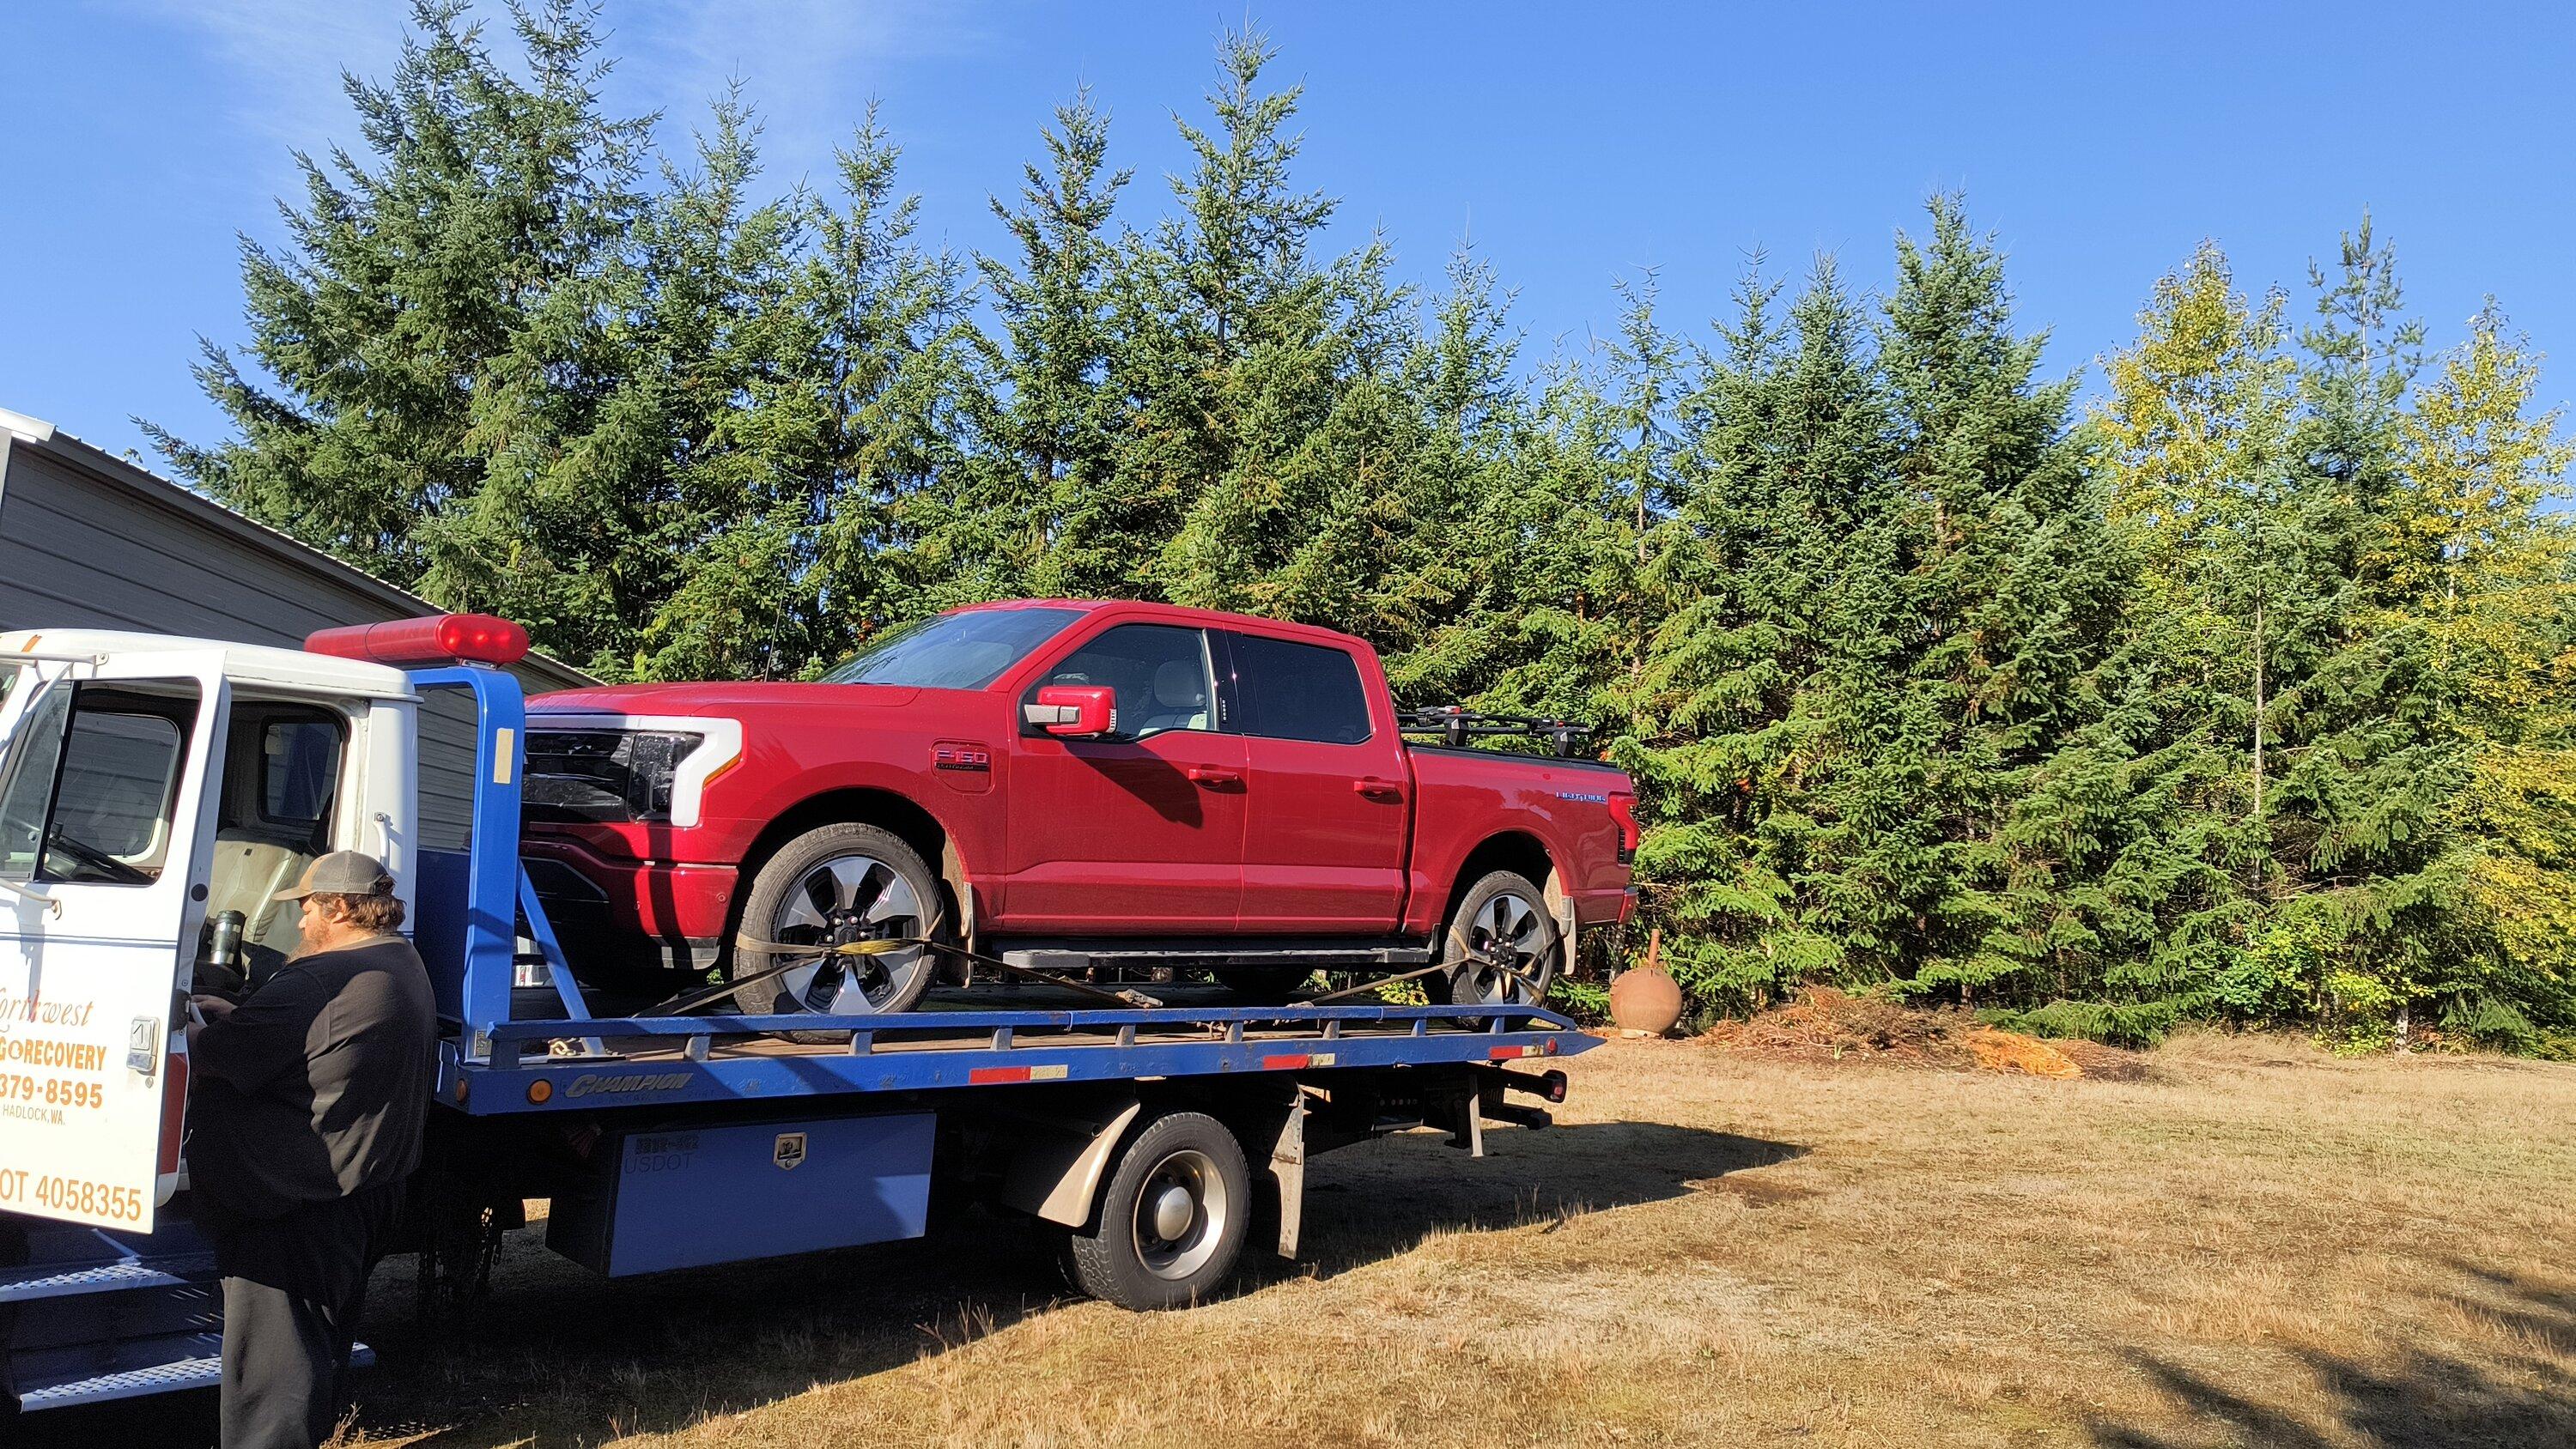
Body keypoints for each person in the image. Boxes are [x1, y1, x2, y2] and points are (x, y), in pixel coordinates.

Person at [186, 851, 436, 1449]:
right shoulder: (401, 961)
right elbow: (314, 1044)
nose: (300, 924)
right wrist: (243, 1017)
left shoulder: (320, 980)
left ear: (343, 907)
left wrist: (194, 1025)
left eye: (307, 909)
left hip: (296, 1209)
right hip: (362, 1197)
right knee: (312, 1362)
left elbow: (212, 1055)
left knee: (274, 1384)